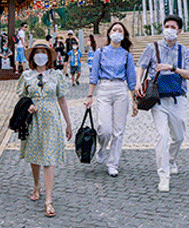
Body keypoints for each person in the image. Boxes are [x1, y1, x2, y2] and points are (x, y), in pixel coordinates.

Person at [134, 15, 189, 193]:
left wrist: (173, 68)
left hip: (178, 97)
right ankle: (163, 176)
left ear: (179, 31)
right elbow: (141, 65)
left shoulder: (185, 51)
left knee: (179, 135)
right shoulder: (152, 47)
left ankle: (171, 160)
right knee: (162, 136)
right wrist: (138, 82)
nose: (169, 29)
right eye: (166, 26)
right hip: (157, 99)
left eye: (172, 26)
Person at [16, 40, 72, 217]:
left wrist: (68, 123)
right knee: (34, 155)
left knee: (49, 158)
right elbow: (21, 97)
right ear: (33, 56)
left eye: (44, 52)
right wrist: (28, 106)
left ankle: (49, 199)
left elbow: (62, 99)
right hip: (32, 120)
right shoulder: (26, 76)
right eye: (37, 52)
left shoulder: (56, 76)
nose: (41, 55)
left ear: (49, 56)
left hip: (51, 119)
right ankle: (36, 184)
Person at [85, 22, 136, 177]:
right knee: (104, 127)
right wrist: (89, 96)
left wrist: (135, 101)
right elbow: (93, 75)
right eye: (114, 30)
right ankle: (101, 148)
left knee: (118, 131)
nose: (117, 32)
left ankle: (112, 163)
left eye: (120, 30)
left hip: (120, 90)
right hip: (104, 89)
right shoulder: (100, 52)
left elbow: (132, 81)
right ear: (109, 33)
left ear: (124, 35)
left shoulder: (127, 55)